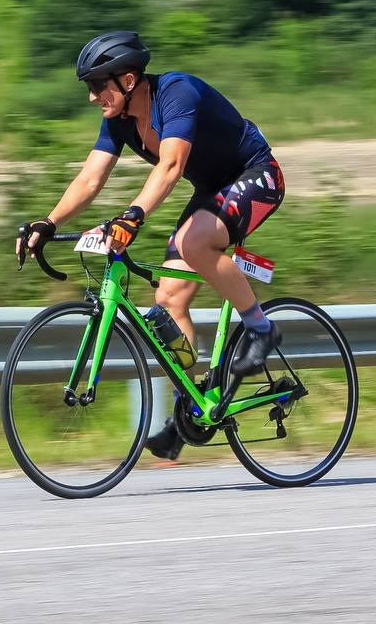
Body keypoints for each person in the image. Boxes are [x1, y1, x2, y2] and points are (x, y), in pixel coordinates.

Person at [18, 31, 285, 461]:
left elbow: (173, 164)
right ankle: (193, 410)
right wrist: (48, 222)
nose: (91, 98)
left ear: (126, 80)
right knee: (167, 301)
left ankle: (261, 327)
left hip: (257, 175)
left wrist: (133, 215)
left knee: (193, 243)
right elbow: (90, 180)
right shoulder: (119, 121)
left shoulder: (176, 92)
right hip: (214, 191)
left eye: (95, 86)